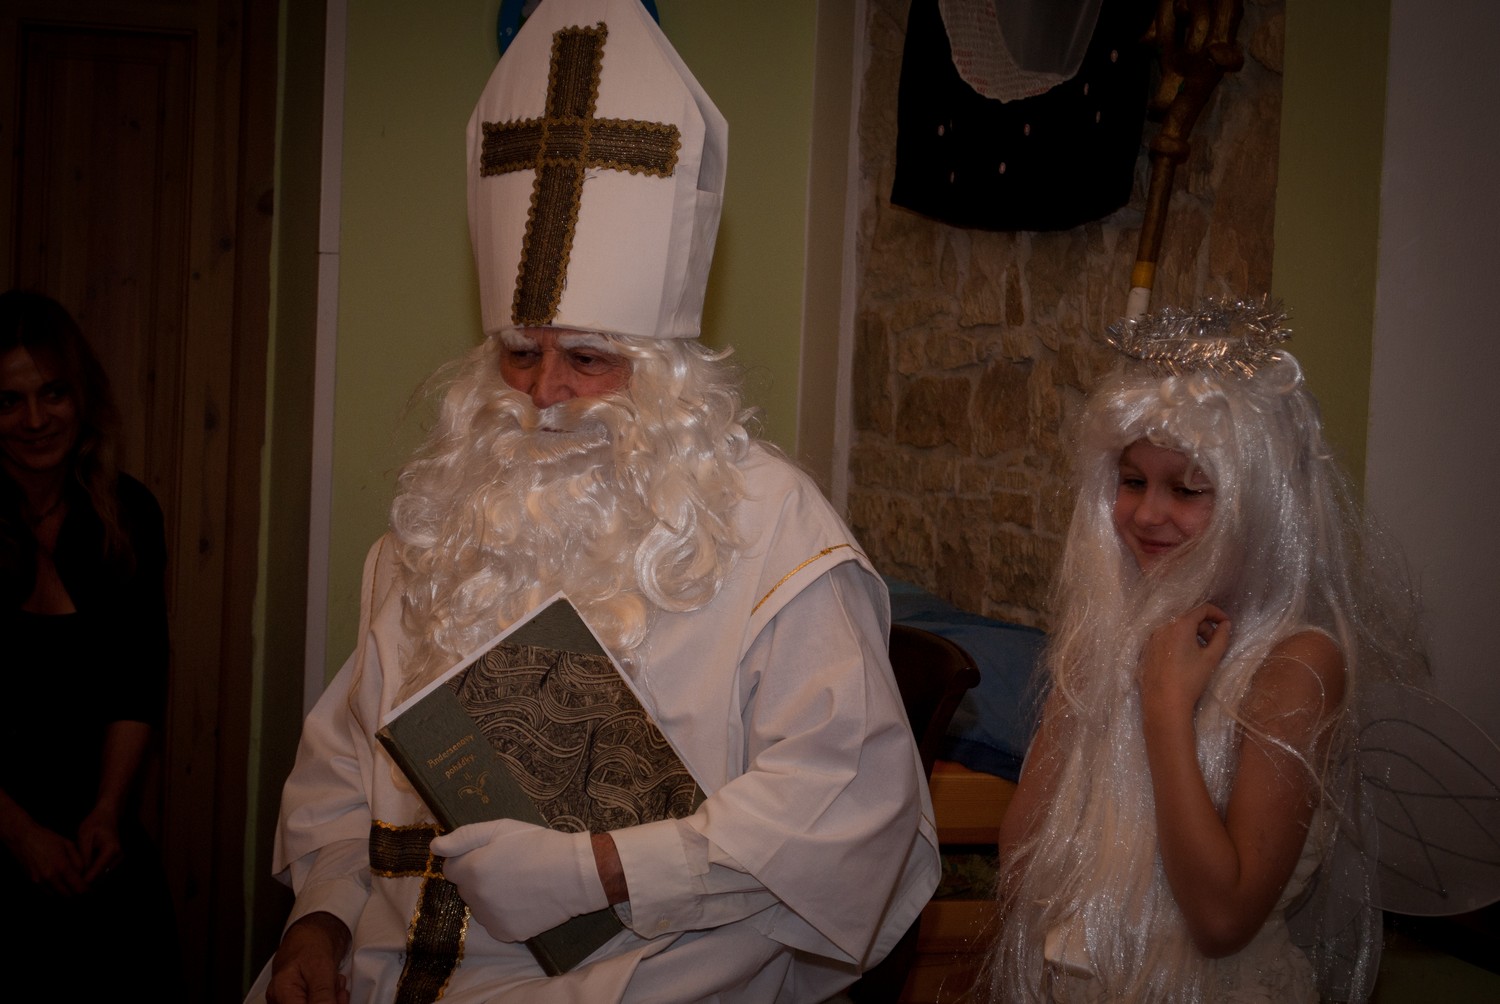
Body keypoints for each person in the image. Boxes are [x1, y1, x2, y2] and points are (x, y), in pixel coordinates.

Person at [257, 2, 940, 1001]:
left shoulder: (771, 525)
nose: (543, 394)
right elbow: (340, 766)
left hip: (648, 971)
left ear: (663, 366)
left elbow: (846, 800)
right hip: (382, 964)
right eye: (518, 352)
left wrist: (600, 870)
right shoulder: (445, 516)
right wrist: (316, 919)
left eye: (586, 357)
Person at [984, 300, 1426, 1002]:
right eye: (1133, 481)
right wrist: (1086, 685)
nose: (1147, 514)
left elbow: (1222, 920)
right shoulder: (1113, 633)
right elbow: (1022, 863)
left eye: (1189, 489)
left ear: (1261, 503)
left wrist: (1165, 708)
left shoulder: (1295, 663)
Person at [0, 289, 180, 992]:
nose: (35, 419)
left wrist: (107, 811)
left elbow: (137, 677)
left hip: (96, 841)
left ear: (82, 397)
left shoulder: (127, 513)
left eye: (53, 393)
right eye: (9, 401)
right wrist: (18, 833)